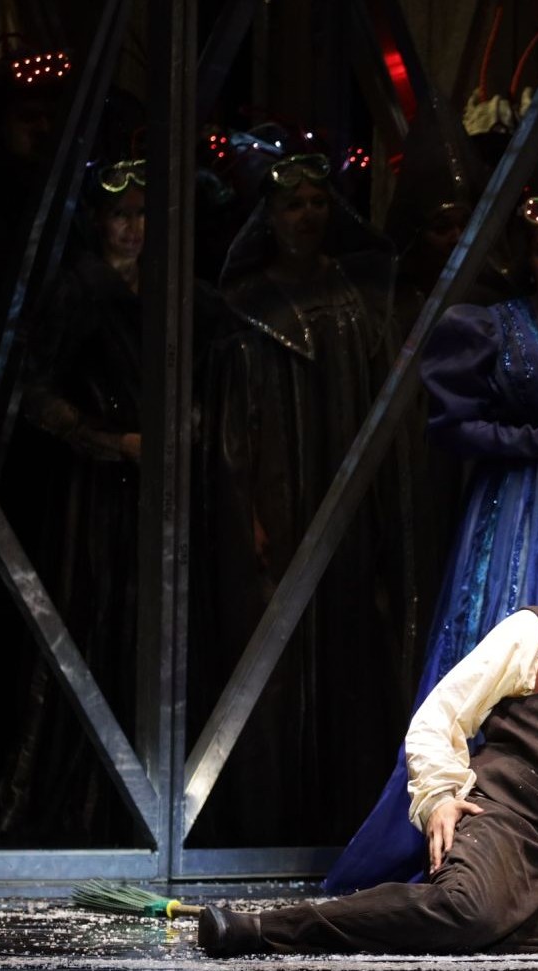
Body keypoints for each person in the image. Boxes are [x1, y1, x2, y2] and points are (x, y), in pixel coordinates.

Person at [198, 458, 538, 957]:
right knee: (468, 907)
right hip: (507, 835)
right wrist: (439, 799)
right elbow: (438, 717)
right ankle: (272, 928)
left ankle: (486, 928)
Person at [324, 188, 538, 891]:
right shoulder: (492, 329)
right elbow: (451, 426)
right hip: (510, 512)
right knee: (495, 651)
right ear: (527, 258)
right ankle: (461, 837)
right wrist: (535, 441)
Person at [192, 145, 412, 846]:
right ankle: (270, 819)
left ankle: (344, 813)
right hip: (279, 503)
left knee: (350, 648)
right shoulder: (246, 310)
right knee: (276, 662)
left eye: (319, 202)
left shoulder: (356, 299)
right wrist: (249, 518)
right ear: (269, 215)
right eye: (293, 204)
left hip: (346, 509)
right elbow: (233, 437)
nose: (308, 216)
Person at [0, 159, 147, 842]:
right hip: (89, 492)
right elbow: (35, 392)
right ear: (98, 221)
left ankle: (124, 805)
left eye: (142, 215)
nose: (133, 229)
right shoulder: (77, 290)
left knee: (134, 633)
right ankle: (66, 798)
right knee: (84, 619)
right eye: (121, 215)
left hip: (145, 494)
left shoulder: (161, 293)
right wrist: (109, 441)